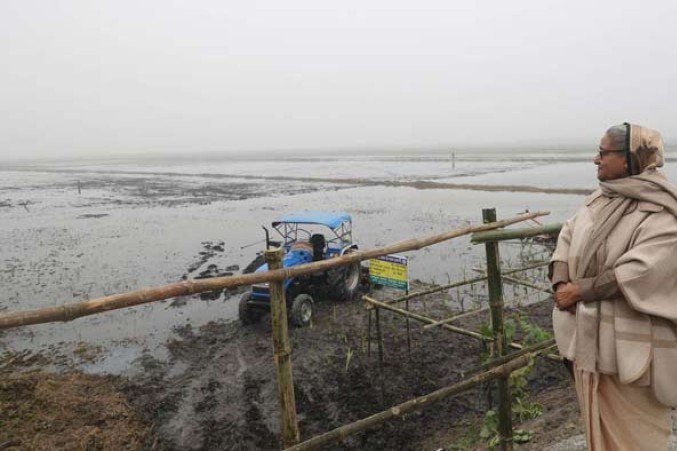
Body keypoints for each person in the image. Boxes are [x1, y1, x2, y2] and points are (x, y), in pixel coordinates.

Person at [550, 123, 677, 451]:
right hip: (589, 342)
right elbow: (567, 234)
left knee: (638, 434)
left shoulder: (662, 211)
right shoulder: (600, 199)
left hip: (630, 352)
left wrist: (581, 291)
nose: (596, 160)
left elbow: (643, 269)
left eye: (604, 153)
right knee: (598, 427)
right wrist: (562, 280)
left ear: (630, 159)